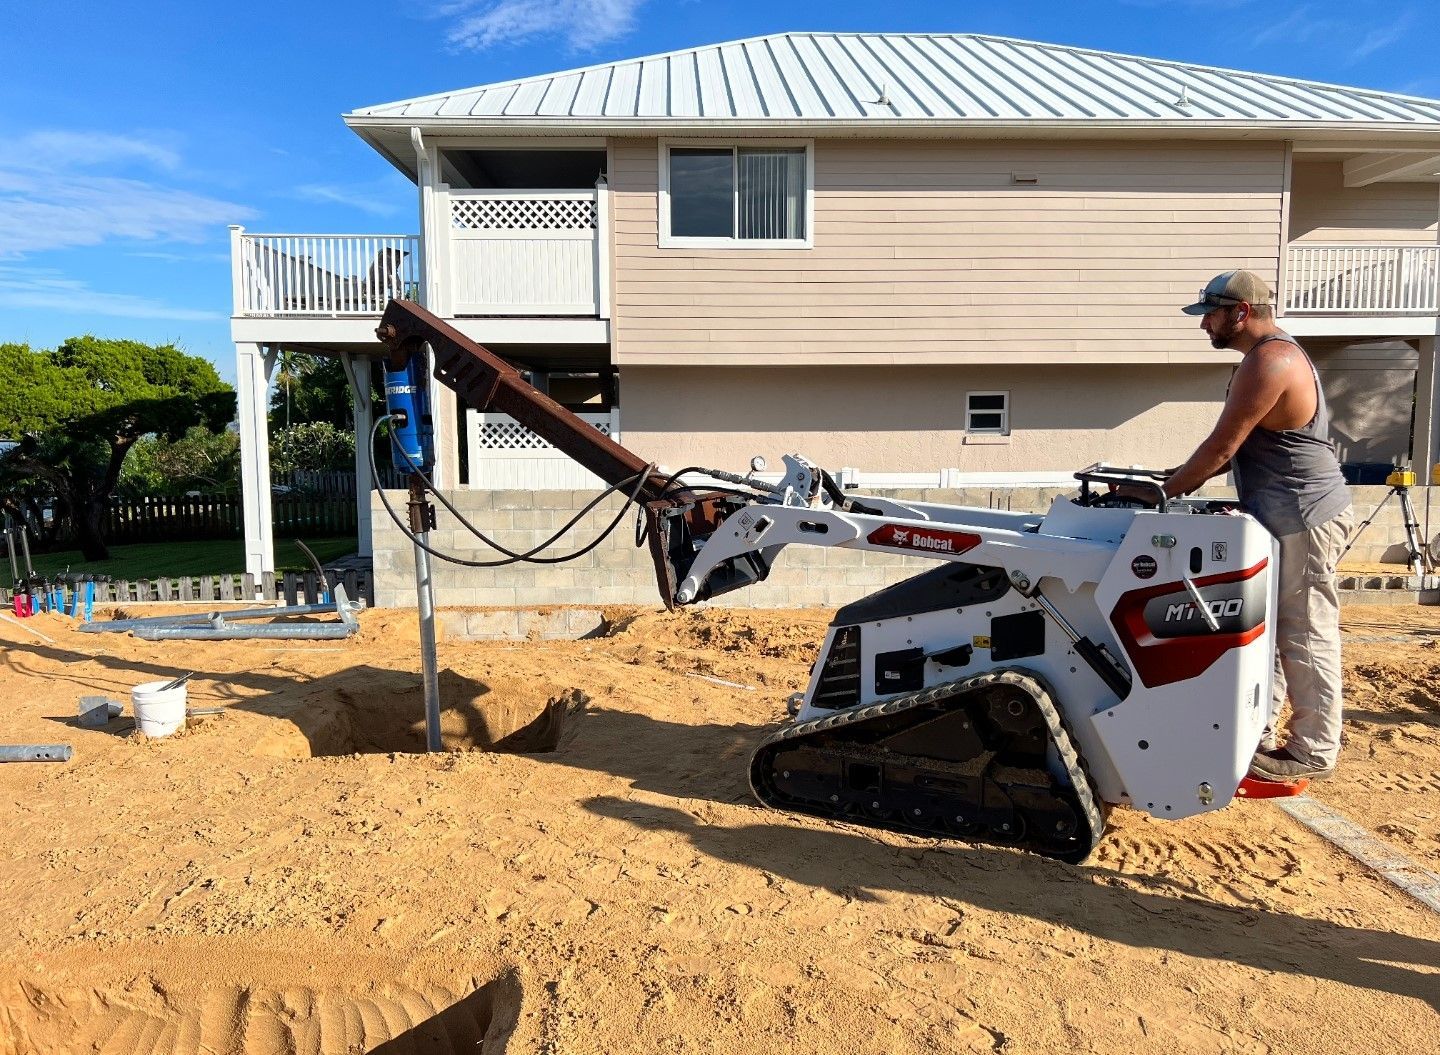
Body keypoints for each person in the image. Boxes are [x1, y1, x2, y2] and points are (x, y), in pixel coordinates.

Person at [1166, 270, 1354, 781]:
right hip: (1283, 515)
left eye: (1210, 314)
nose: (1204, 324)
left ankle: (1313, 751)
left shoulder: (1272, 360)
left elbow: (1223, 445)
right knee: (1266, 630)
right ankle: (1258, 733)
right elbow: (1238, 447)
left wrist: (1164, 492)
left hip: (1305, 514)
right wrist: (1172, 478)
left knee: (1305, 630)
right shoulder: (1263, 358)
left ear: (1241, 312)